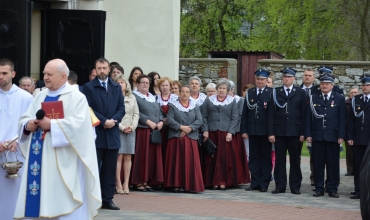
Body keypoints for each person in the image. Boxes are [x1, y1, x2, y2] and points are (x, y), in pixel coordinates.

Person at [15, 59, 101, 219]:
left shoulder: (77, 97)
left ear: (63, 76)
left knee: (62, 200)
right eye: (44, 74)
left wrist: (52, 125)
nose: (45, 77)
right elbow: (25, 118)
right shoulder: (40, 95)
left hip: (64, 160)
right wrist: (28, 125)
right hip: (39, 158)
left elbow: (80, 127)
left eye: (49, 74)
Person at [83, 58, 125, 210]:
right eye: (99, 68)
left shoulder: (115, 87)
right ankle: (91, 199)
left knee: (110, 169)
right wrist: (103, 121)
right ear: (95, 70)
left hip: (112, 134)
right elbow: (88, 109)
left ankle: (107, 199)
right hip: (96, 134)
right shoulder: (88, 87)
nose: (102, 71)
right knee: (93, 169)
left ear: (109, 69)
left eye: (104, 68)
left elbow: (122, 108)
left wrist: (113, 120)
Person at [202, 78, 250, 190]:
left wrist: (230, 132)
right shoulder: (209, 100)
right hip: (212, 132)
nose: (221, 90)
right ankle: (213, 181)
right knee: (212, 157)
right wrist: (205, 130)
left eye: (224, 88)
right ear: (217, 89)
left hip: (225, 134)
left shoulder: (232, 101)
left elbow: (235, 117)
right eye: (220, 88)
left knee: (224, 158)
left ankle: (223, 181)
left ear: (227, 90)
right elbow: (204, 115)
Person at [0, 59, 33, 220]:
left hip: (16, 154)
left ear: (13, 74)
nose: (1, 76)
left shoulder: (25, 98)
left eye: (4, 73)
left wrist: (17, 140)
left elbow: (31, 124)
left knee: (15, 198)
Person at [305, 75, 346, 198]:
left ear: (332, 85)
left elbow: (342, 119)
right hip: (317, 135)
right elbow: (308, 118)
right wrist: (308, 134)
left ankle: (332, 188)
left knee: (333, 164)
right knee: (318, 164)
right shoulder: (313, 98)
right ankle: (319, 187)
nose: (324, 86)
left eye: (327, 84)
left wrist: (341, 135)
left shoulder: (339, 98)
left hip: (333, 136)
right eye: (323, 83)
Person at [268, 67, 306, 195]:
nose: (287, 79)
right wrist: (271, 132)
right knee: (280, 160)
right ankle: (280, 185)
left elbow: (304, 114)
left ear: (294, 78)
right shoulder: (275, 92)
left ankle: (295, 186)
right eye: (285, 77)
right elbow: (271, 114)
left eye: (289, 77)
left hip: (295, 132)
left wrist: (302, 133)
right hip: (279, 132)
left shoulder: (301, 92)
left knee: (295, 160)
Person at [165, 85, 204, 193]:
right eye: (182, 91)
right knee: (177, 161)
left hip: (190, 137)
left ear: (190, 94)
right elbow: (170, 119)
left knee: (190, 163)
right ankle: (176, 184)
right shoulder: (173, 105)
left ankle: (189, 185)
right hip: (176, 137)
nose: (184, 94)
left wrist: (189, 129)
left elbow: (199, 120)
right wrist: (181, 127)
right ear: (179, 93)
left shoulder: (195, 106)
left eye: (187, 92)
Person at [242, 69, 273, 192]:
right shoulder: (250, 92)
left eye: (262, 79)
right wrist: (244, 130)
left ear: (266, 80)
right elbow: (245, 113)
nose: (260, 81)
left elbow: (272, 115)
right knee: (254, 158)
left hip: (265, 131)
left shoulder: (271, 92)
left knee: (265, 157)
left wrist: (271, 132)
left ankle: (264, 183)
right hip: (253, 130)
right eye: (258, 79)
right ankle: (254, 182)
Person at [131, 74, 164, 192]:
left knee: (150, 157)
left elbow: (159, 111)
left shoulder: (152, 97)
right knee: (142, 156)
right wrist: (147, 121)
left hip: (154, 130)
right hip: (143, 129)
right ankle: (138, 181)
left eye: (147, 83)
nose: (145, 84)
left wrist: (161, 122)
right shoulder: (134, 96)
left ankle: (147, 181)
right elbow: (135, 112)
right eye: (143, 82)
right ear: (138, 84)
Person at [114, 75, 139, 195]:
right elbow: (113, 114)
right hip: (118, 129)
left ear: (126, 84)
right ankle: (118, 183)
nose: (120, 84)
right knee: (119, 157)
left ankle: (126, 183)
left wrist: (132, 127)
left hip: (130, 130)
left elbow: (136, 113)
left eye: (122, 82)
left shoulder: (132, 97)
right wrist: (122, 128)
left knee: (128, 157)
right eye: (118, 82)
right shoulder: (113, 96)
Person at [347, 75, 370, 199]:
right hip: (358, 138)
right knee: (358, 165)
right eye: (363, 85)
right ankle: (358, 189)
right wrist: (350, 136)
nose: (365, 87)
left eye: (367, 85)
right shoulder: (356, 99)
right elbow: (351, 120)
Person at [157, 77, 178, 175]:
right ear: (159, 87)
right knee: (159, 152)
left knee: (170, 153)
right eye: (162, 85)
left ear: (170, 86)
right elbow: (154, 112)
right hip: (160, 128)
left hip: (172, 129)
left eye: (166, 85)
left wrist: (169, 120)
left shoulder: (175, 98)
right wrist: (161, 120)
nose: (165, 87)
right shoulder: (155, 98)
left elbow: (178, 112)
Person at [299, 68, 316, 186]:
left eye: (310, 75)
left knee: (314, 155)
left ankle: (314, 177)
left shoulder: (318, 90)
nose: (307, 77)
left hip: (313, 127)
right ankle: (296, 178)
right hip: (298, 127)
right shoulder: (297, 90)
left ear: (314, 78)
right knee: (296, 154)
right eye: (305, 75)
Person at [345, 87, 359, 177]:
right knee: (349, 151)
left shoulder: (360, 102)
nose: (353, 94)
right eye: (352, 92)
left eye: (355, 92)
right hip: (348, 130)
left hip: (358, 130)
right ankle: (350, 169)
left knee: (358, 152)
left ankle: (358, 168)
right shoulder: (345, 103)